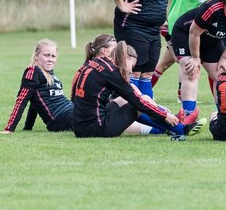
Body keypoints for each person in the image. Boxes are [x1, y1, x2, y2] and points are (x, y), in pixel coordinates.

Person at [70, 40, 199, 139]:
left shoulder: (94, 62)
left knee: (131, 100)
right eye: (131, 66)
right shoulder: (112, 72)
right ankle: (179, 129)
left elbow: (73, 94)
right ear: (125, 58)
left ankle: (172, 125)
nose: (131, 71)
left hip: (79, 125)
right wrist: (164, 115)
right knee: (139, 103)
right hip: (95, 129)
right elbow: (138, 103)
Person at [170, 0, 226, 124]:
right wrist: (196, 58)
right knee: (192, 71)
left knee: (222, 75)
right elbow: (194, 33)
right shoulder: (212, 9)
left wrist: (224, 58)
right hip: (186, 34)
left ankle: (223, 117)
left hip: (210, 40)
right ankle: (188, 117)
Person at [152, 0, 225, 92]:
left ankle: (146, 91)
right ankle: (184, 100)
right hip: (185, 23)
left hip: (173, 20)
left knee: (166, 63)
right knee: (190, 63)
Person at [0, 39, 73, 132]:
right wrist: (9, 129)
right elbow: (22, 100)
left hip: (71, 111)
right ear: (36, 56)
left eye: (53, 56)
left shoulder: (49, 72)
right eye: (46, 55)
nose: (50, 59)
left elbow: (35, 100)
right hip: (60, 119)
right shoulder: (33, 71)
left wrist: (28, 127)